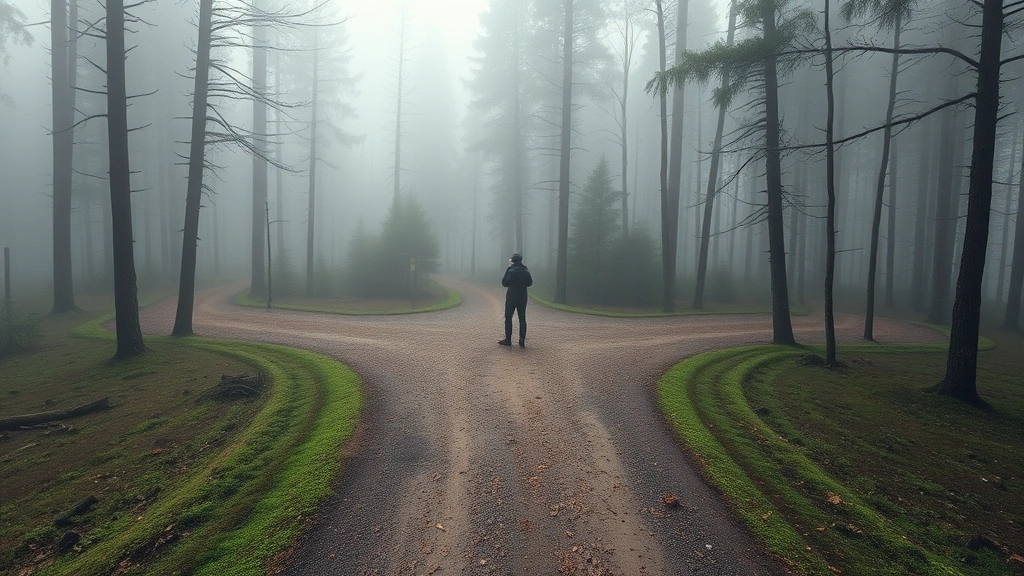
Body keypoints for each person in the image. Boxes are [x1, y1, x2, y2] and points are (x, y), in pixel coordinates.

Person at [499, 253, 532, 348]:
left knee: (508, 317)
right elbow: (530, 283)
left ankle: (508, 339)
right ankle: (522, 339)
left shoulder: (510, 270)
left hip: (511, 297)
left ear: (513, 261)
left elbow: (504, 283)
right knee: (522, 318)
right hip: (522, 297)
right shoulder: (525, 271)